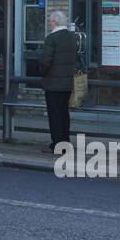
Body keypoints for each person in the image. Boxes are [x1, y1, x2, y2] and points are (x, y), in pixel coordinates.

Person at [39, 10, 79, 153]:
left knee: (54, 115)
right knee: (63, 113)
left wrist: (41, 72)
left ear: (55, 22)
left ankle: (57, 144)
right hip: (67, 83)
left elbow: (46, 61)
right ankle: (65, 142)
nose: (49, 24)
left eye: (50, 21)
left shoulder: (52, 38)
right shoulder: (72, 37)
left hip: (53, 83)